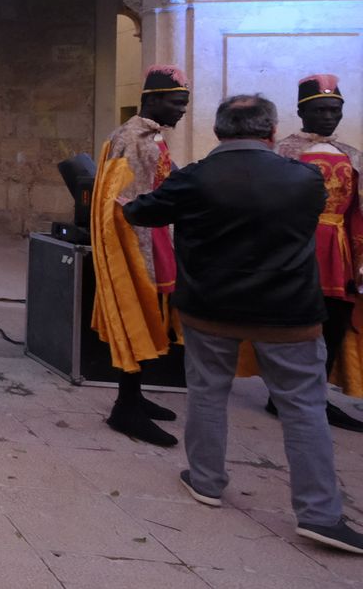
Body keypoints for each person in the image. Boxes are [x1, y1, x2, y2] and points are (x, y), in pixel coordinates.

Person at [122, 94, 363, 556]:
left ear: (217, 131)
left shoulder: (194, 178)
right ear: (271, 132)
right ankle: (319, 513)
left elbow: (144, 212)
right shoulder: (305, 178)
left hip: (210, 308)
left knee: (209, 393)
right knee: (304, 409)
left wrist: (122, 199)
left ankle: (207, 480)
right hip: (288, 312)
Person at [90, 65, 193, 446]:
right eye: (176, 102)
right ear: (152, 99)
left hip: (157, 234)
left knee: (155, 318)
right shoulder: (130, 139)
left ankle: (133, 396)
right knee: (139, 318)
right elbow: (119, 199)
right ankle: (126, 408)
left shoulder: (152, 137)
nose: (181, 110)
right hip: (137, 242)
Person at [272, 74, 363, 431]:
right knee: (293, 323)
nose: (328, 117)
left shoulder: (351, 155)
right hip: (298, 245)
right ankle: (281, 395)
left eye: (334, 110)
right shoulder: (283, 152)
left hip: (338, 248)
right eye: (320, 110)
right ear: (301, 111)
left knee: (334, 321)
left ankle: (317, 396)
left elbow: (357, 210)